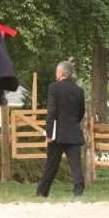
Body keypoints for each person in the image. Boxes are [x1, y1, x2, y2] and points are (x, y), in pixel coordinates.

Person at [36, 60, 85, 197]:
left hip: (57, 135)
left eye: (56, 71)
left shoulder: (54, 87)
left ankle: (42, 193)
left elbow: (52, 112)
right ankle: (79, 192)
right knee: (76, 166)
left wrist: (49, 134)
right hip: (73, 133)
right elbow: (81, 112)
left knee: (51, 166)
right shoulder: (79, 91)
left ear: (60, 72)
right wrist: (73, 124)